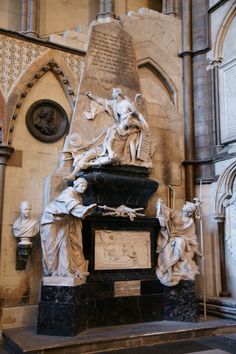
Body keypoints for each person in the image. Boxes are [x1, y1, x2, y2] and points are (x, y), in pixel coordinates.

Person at [40, 178, 96, 278]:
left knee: (65, 245)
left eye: (85, 187)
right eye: (82, 186)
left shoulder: (79, 197)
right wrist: (83, 210)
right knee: (51, 249)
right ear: (76, 185)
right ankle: (53, 271)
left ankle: (65, 271)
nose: (83, 188)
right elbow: (70, 204)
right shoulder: (68, 192)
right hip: (52, 221)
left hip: (63, 223)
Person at [85, 88, 149, 164]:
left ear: (118, 93)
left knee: (132, 141)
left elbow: (138, 114)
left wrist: (144, 122)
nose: (112, 95)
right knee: (111, 132)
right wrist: (92, 96)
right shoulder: (114, 104)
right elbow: (103, 101)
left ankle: (133, 161)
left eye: (113, 93)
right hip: (123, 125)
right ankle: (109, 152)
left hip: (132, 124)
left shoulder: (127, 103)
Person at [155, 199, 200, 286]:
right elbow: (167, 211)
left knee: (181, 242)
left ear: (190, 212)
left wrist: (195, 246)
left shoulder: (190, 222)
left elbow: (191, 235)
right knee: (168, 250)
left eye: (188, 211)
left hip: (183, 239)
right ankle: (167, 268)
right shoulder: (176, 214)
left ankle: (174, 266)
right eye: (185, 210)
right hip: (170, 238)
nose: (185, 212)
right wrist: (161, 204)